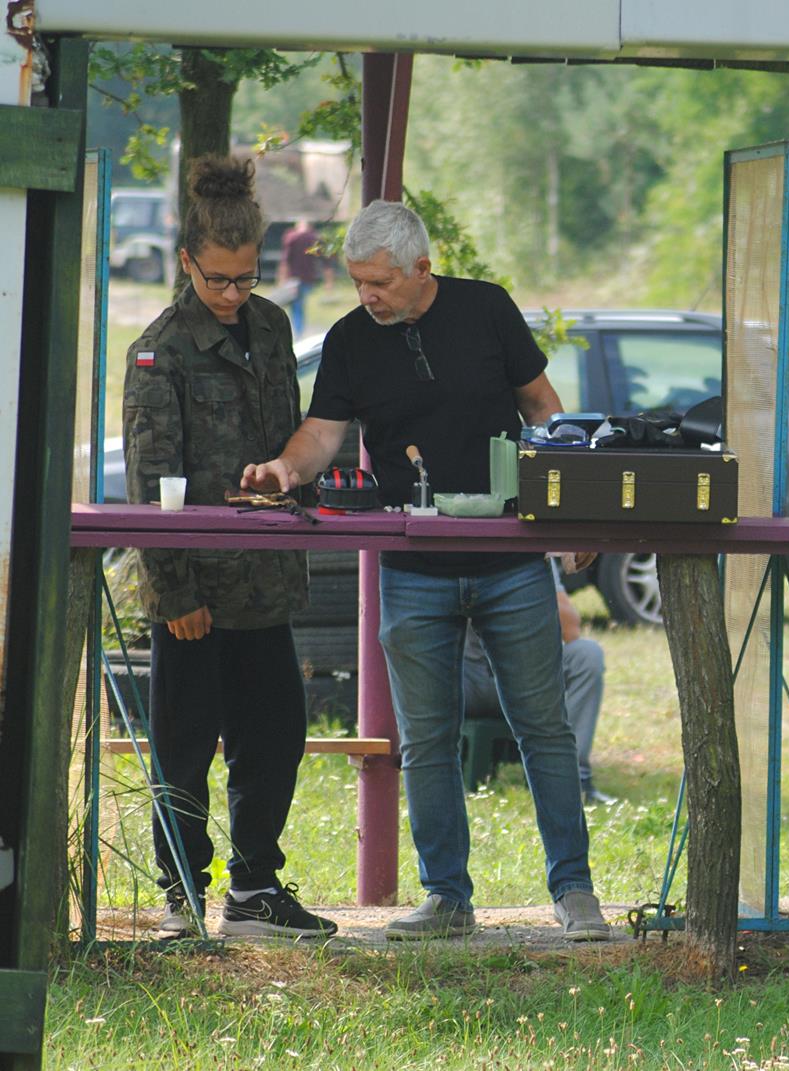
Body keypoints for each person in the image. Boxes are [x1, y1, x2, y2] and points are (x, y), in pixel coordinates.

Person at [241, 199, 610, 942]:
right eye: (356, 281)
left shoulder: (488, 310)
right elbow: (323, 432)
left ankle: (574, 889)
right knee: (426, 738)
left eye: (379, 282)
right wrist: (285, 465)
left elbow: (544, 408)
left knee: (543, 725)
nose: (365, 295)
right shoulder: (349, 340)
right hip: (410, 564)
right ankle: (447, 897)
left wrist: (570, 504)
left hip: (510, 559)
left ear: (421, 268)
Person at [124, 156, 336, 939]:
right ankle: (182, 896)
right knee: (182, 751)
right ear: (187, 263)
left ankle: (254, 890)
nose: (233, 294)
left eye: (245, 278)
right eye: (217, 279)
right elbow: (152, 482)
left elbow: (292, 433)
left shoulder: (275, 328)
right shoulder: (161, 349)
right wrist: (175, 592)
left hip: (266, 580)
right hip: (195, 592)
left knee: (276, 738)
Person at [462, 559, 613, 805]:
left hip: (526, 674)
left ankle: (576, 780)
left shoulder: (534, 553)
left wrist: (526, 583)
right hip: (465, 674)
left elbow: (570, 629)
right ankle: (434, 773)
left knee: (587, 654)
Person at [278, 218, 322, 338]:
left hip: (293, 278)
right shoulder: (314, 238)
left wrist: (282, 278)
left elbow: (285, 260)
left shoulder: (291, 237)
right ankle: (298, 330)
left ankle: (297, 331)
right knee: (299, 304)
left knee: (296, 305)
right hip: (308, 278)